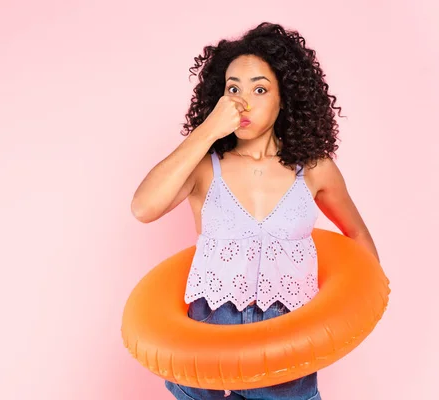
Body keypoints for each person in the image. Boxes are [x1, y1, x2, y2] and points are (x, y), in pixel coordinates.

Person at [130, 22, 380, 400]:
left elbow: (356, 233)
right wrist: (207, 131)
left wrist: (363, 300)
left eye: (259, 89)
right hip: (206, 346)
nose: (241, 102)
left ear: (285, 98)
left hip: (287, 348)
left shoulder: (315, 168)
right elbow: (143, 208)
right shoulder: (203, 166)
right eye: (233, 89)